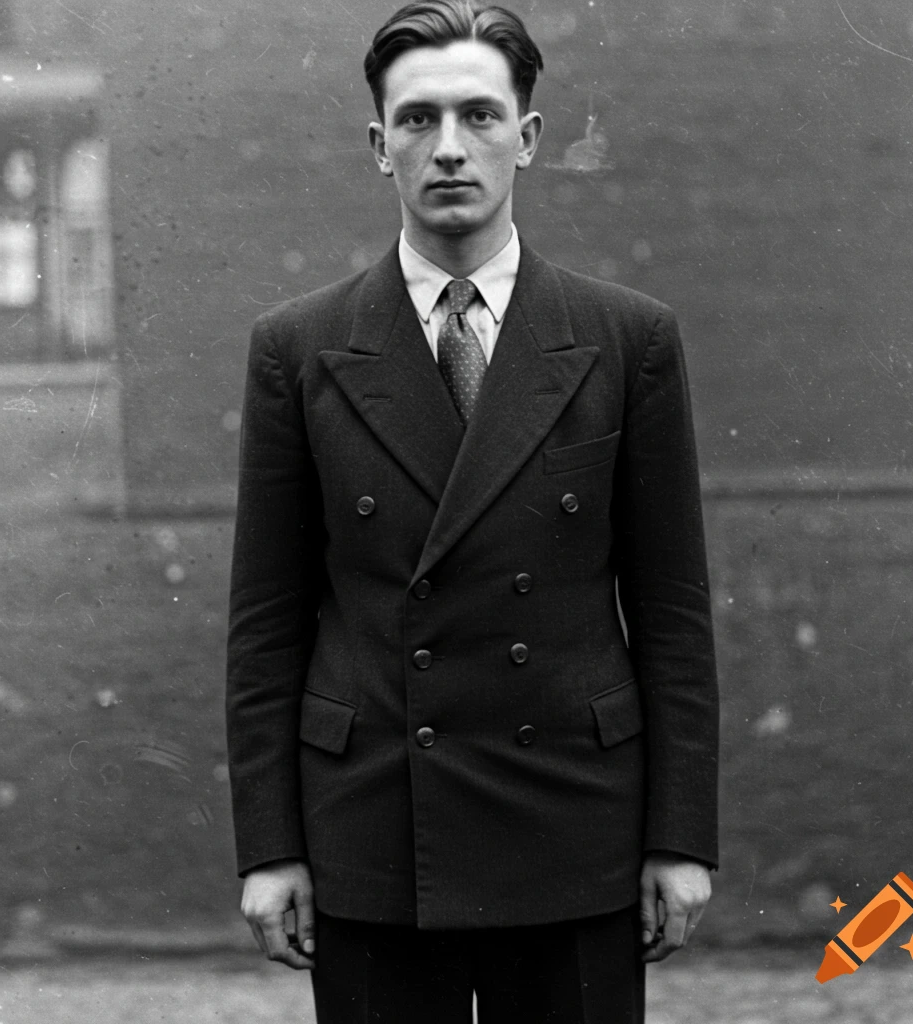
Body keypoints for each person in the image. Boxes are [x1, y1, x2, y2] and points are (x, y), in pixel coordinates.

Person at [226, 2, 719, 1020]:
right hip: (374, 826)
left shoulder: (625, 338)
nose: (449, 147)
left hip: (575, 823)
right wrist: (270, 848)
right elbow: (266, 625)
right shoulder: (300, 347)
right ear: (380, 145)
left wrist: (679, 838)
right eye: (418, 119)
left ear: (526, 137)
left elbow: (671, 613)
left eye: (479, 115)